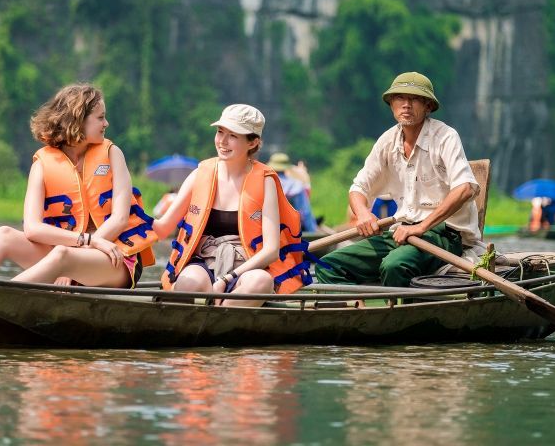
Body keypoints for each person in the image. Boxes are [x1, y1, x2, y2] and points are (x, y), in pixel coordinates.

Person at [0, 84, 157, 288]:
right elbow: (32, 229)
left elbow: (120, 219)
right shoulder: (42, 165)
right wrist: (86, 242)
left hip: (116, 260)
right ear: (77, 120)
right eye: (100, 117)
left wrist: (75, 260)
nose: (107, 123)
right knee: (3, 235)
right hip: (67, 256)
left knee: (63, 254)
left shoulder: (113, 154)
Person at [316, 71, 485, 287]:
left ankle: (400, 317)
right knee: (328, 265)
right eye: (400, 98)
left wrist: (421, 226)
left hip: (444, 235)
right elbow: (359, 187)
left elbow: (465, 189)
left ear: (428, 107)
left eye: (414, 99)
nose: (406, 104)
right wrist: (363, 214)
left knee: (394, 266)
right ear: (391, 105)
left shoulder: (445, 137)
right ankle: (354, 314)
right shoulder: (387, 141)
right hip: (401, 233)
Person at [153, 104, 311, 307]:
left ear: (253, 142)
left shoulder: (265, 181)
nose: (222, 142)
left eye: (233, 136)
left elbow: (271, 250)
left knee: (262, 281)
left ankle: (222, 323)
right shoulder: (201, 174)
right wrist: (124, 218)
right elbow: (163, 227)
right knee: (188, 281)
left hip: (246, 266)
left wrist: (226, 279)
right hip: (205, 260)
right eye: (220, 132)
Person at [267, 152, 318, 232]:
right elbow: (305, 212)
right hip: (293, 230)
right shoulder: (297, 185)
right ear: (286, 167)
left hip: (270, 228)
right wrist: (312, 232)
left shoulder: (265, 184)